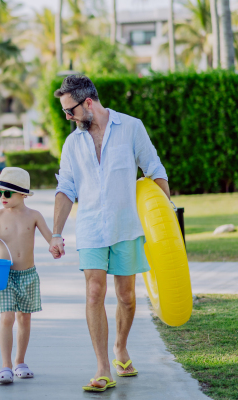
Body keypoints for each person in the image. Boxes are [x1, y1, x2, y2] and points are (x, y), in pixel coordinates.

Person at [49, 75, 170, 392]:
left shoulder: (131, 127)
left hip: (126, 226)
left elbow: (153, 169)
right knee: (94, 292)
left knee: (127, 297)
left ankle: (120, 348)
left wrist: (167, 222)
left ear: (87, 103)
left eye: (69, 110)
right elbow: (66, 188)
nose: (67, 117)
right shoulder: (73, 142)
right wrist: (56, 233)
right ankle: (103, 367)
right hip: (90, 226)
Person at [0, 167, 55, 384]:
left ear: (23, 194)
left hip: (28, 274)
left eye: (6, 193)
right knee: (7, 317)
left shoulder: (34, 215)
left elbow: (50, 237)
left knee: (25, 318)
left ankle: (20, 361)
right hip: (5, 274)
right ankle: (6, 365)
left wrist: (56, 245)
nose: (2, 197)